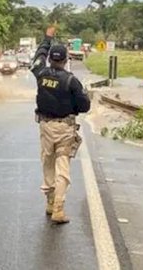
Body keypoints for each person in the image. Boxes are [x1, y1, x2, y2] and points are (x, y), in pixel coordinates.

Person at [30, 26, 91, 224]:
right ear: (66, 60)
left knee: (47, 162)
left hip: (45, 127)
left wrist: (47, 38)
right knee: (62, 166)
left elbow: (38, 55)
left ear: (50, 59)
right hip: (65, 129)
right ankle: (58, 207)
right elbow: (84, 107)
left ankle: (49, 201)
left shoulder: (40, 73)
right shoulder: (71, 81)